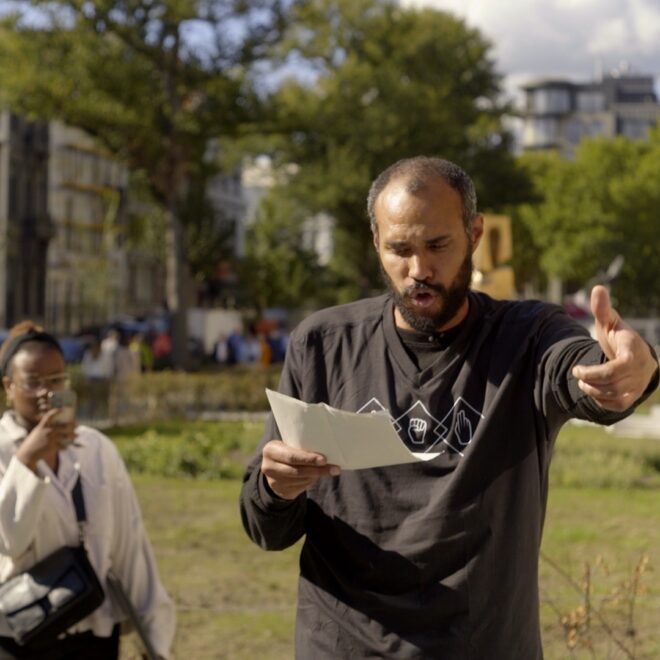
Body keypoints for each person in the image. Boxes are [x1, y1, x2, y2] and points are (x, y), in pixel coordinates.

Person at [240, 156, 659, 659]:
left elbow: (576, 372)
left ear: (474, 233)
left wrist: (628, 374)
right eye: (399, 249)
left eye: (437, 245)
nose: (419, 270)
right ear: (375, 241)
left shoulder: (525, 337)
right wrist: (275, 487)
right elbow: (266, 528)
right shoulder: (323, 346)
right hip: (344, 645)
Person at [0, 321, 175, 659]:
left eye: (55, 381)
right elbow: (10, 541)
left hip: (93, 635)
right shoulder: (5, 453)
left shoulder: (96, 450)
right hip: (19, 637)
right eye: (32, 382)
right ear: (9, 387)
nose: (45, 393)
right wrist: (28, 460)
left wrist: (156, 637)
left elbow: (129, 545)